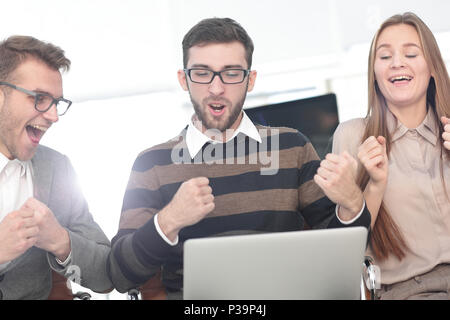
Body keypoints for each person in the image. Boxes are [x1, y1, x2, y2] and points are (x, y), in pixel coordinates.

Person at [108, 17, 371, 299]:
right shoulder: (152, 164)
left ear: (251, 79)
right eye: (202, 73)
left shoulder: (291, 146)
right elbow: (120, 275)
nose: (216, 88)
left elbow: (341, 253)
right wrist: (169, 220)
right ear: (184, 79)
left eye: (231, 73)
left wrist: (352, 202)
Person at [332, 12, 450, 299]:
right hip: (412, 291)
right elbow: (342, 252)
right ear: (374, 72)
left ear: (433, 66)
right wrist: (374, 185)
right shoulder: (352, 136)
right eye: (384, 57)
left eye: (411, 53)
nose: (397, 62)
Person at [0, 35, 112, 299]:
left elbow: (106, 275)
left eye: (57, 102)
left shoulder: (56, 169)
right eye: (39, 98)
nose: (53, 116)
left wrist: (60, 241)